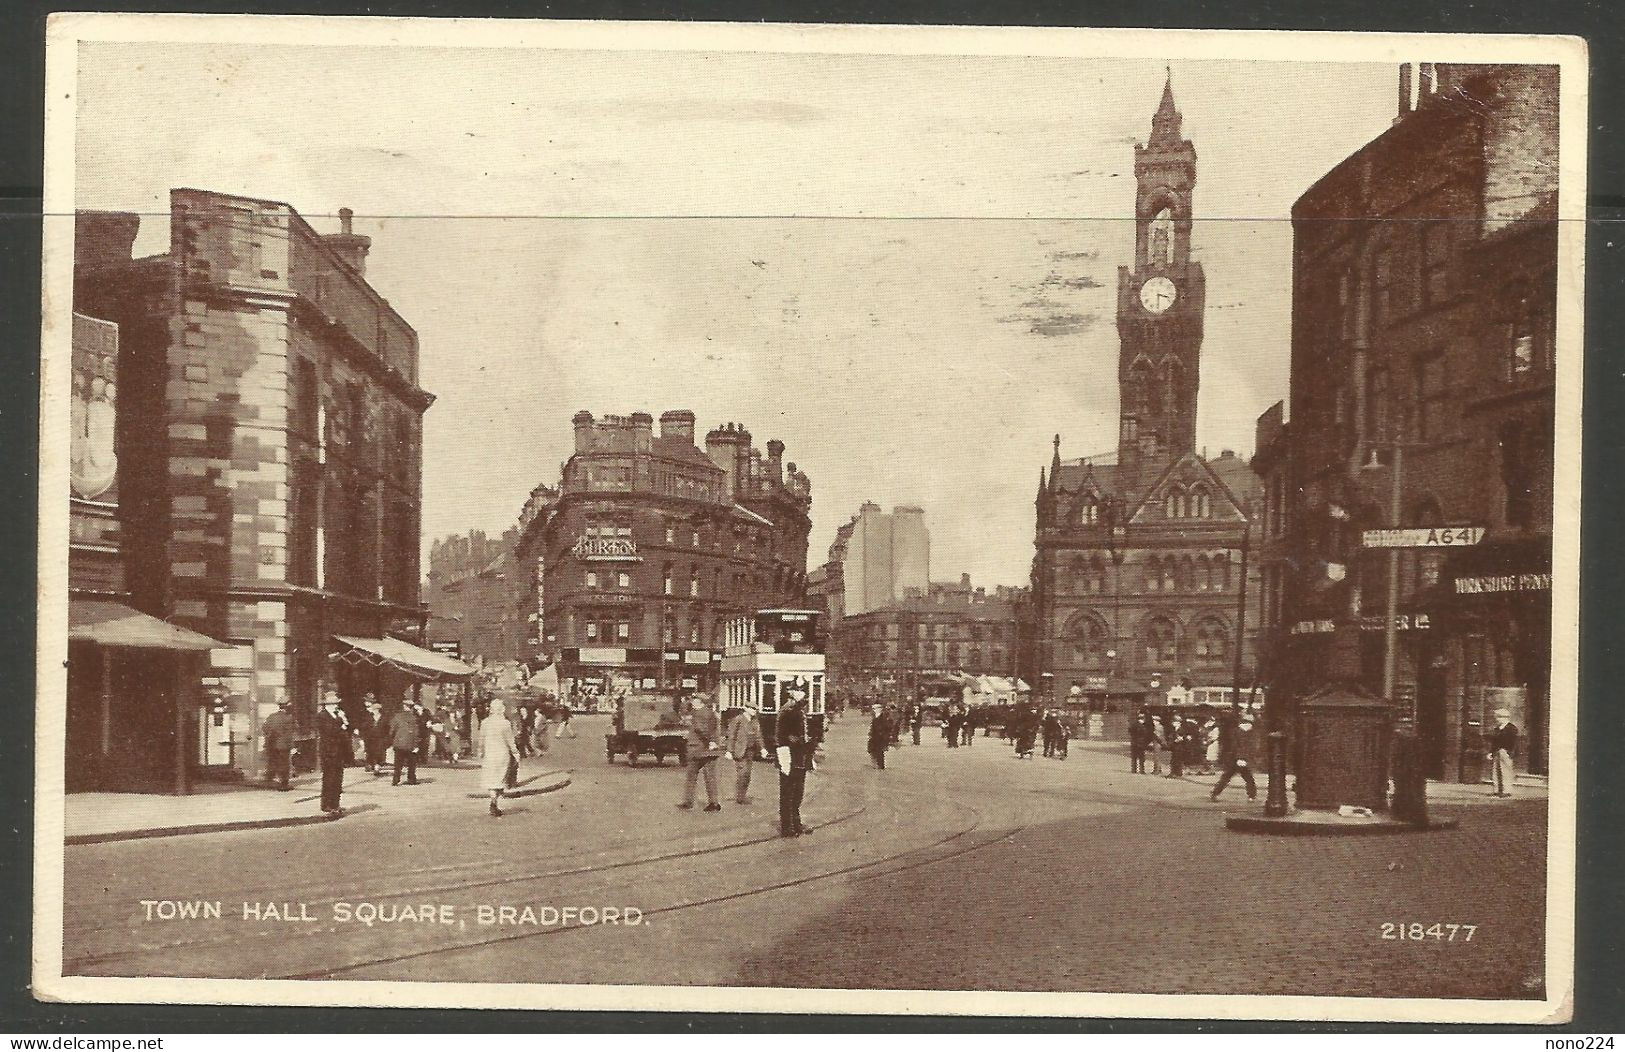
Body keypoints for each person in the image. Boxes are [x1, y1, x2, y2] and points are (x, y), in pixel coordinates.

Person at [777, 687, 817, 837]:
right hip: (789, 757)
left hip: (800, 758)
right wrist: (802, 742)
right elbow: (783, 737)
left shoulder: (799, 713)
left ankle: (796, 823)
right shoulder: (786, 713)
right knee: (788, 793)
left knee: (798, 793)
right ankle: (787, 827)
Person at [678, 696, 723, 812]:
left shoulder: (698, 714)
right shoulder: (710, 713)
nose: (691, 702)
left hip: (698, 750)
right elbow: (713, 729)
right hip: (709, 751)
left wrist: (709, 741)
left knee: (691, 777)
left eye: (693, 700)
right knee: (710, 777)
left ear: (699, 702)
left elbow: (701, 729)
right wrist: (713, 742)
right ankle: (714, 803)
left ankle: (688, 802)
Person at [482, 697, 519, 817]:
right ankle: (495, 802)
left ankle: (493, 801)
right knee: (500, 779)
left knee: (492, 780)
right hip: (502, 755)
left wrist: (480, 752)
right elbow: (510, 741)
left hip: (490, 754)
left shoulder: (485, 723)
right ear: (502, 710)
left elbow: (481, 740)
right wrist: (516, 753)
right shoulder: (505, 724)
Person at [1209, 709, 1257, 801]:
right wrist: (1242, 758)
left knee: (1227, 776)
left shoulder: (1236, 730)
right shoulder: (1248, 732)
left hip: (1234, 758)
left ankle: (1215, 793)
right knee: (1248, 778)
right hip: (1240, 758)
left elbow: (1235, 745)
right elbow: (1243, 746)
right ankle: (1252, 795)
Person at [316, 692, 350, 813]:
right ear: (328, 705)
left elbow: (344, 732)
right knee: (329, 779)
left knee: (338, 779)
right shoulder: (322, 716)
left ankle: (335, 804)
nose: (337, 706)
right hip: (328, 753)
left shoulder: (336, 716)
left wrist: (342, 722)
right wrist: (341, 721)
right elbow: (330, 731)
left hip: (338, 752)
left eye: (337, 703)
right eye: (335, 704)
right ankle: (326, 805)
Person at [725, 703, 763, 804]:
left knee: (747, 775)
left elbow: (758, 736)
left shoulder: (755, 721)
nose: (755, 711)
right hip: (740, 751)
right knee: (743, 773)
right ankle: (740, 797)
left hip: (750, 751)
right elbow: (731, 735)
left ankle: (742, 795)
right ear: (746, 709)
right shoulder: (738, 719)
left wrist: (762, 749)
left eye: (756, 709)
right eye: (752, 709)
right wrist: (729, 751)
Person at [261, 698, 295, 790]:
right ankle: (284, 784)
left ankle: (269, 781)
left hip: (272, 745)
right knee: (284, 764)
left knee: (272, 762)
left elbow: (264, 728)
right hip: (284, 745)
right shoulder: (289, 717)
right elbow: (290, 733)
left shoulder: (272, 716)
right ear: (287, 706)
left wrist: (270, 738)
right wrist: (292, 745)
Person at [387, 701, 422, 786]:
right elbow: (416, 732)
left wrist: (392, 740)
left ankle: (395, 780)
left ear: (404, 706)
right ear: (411, 707)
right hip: (411, 743)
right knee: (412, 763)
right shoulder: (414, 718)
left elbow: (391, 731)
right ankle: (411, 779)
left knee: (398, 763)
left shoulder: (397, 716)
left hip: (399, 743)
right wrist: (416, 744)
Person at [1490, 708, 1520, 797]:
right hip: (1497, 751)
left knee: (1506, 771)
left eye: (1497, 717)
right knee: (1496, 771)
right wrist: (1491, 752)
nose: (1496, 719)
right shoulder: (1497, 729)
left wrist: (1510, 752)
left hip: (1506, 752)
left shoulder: (1512, 728)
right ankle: (1497, 790)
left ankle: (1506, 791)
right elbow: (1494, 742)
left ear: (1504, 717)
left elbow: (1514, 742)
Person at [362, 695, 388, 774]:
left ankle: (377, 766)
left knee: (380, 752)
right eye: (373, 709)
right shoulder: (369, 717)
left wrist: (387, 738)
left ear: (378, 710)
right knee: (371, 752)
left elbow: (387, 728)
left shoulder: (383, 718)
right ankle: (372, 764)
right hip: (371, 738)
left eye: (375, 709)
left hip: (381, 738)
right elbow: (365, 727)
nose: (373, 711)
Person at [867, 703, 891, 770]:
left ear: (879, 709)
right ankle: (878, 764)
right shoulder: (876, 717)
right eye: (873, 709)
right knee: (874, 750)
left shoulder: (882, 717)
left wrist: (882, 733)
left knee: (879, 751)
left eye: (875, 709)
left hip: (880, 737)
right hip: (875, 737)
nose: (874, 710)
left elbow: (885, 726)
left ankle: (880, 765)